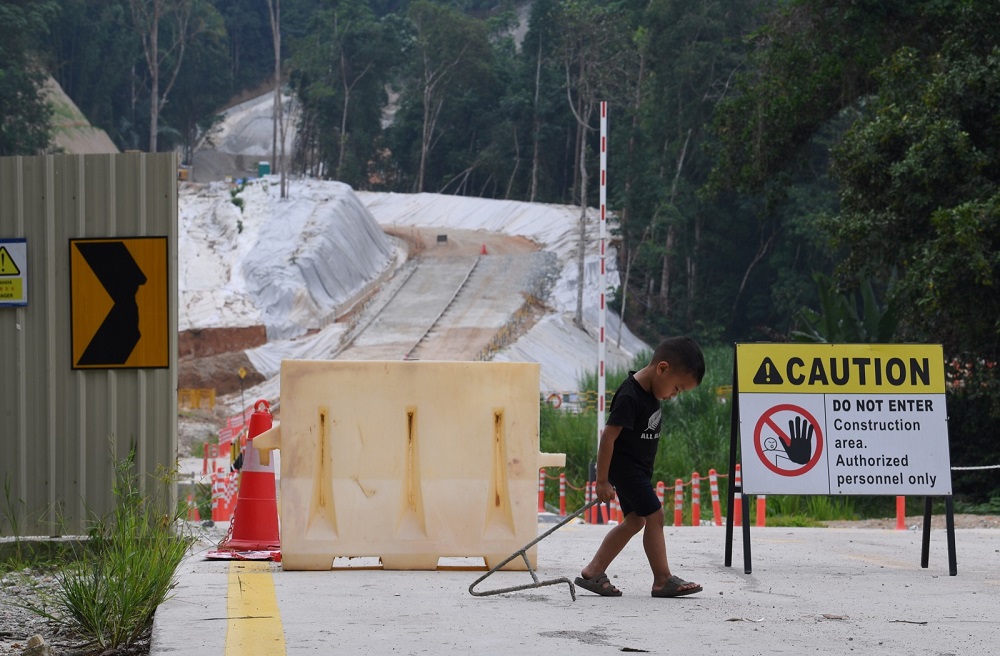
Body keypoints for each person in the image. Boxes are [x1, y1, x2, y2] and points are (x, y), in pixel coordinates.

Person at [577, 336, 706, 598]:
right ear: (662, 368)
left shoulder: (652, 392)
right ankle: (662, 579)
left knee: (635, 521)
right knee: (655, 516)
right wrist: (602, 481)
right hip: (626, 469)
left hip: (637, 471)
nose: (674, 395)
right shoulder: (630, 395)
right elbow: (608, 437)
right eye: (677, 388)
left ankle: (594, 570)